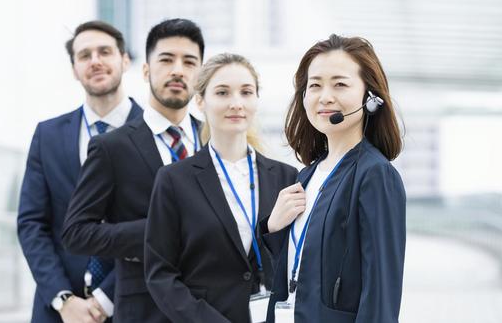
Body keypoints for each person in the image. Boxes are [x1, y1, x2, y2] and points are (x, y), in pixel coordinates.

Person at [61, 18, 204, 322]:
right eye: (166, 60)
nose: (178, 69)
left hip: (213, 307)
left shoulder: (216, 142)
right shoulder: (111, 147)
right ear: (146, 70)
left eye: (189, 62)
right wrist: (156, 232)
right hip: (144, 310)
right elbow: (76, 233)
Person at [261, 34, 406, 323]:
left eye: (340, 84)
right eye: (314, 85)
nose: (325, 96)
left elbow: (380, 295)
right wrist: (272, 226)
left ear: (370, 96)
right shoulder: (306, 176)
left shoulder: (375, 175)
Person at [144, 53, 298, 323]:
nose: (236, 103)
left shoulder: (286, 177)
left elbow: (295, 261)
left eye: (246, 92)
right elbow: (160, 275)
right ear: (200, 101)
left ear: (256, 100)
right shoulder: (173, 180)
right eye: (223, 92)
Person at [17, 20, 142, 323]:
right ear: (74, 69)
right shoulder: (47, 135)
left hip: (134, 303)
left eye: (105, 52)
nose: (95, 61)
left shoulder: (157, 132)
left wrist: (103, 299)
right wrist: (63, 299)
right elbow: (32, 223)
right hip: (59, 310)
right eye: (84, 55)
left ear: (124, 60)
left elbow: (163, 228)